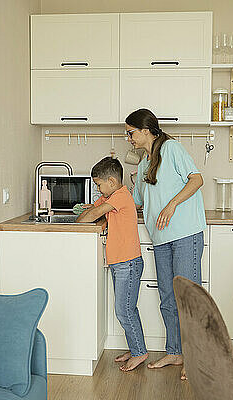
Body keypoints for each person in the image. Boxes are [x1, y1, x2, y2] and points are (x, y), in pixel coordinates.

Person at [126, 109, 206, 377]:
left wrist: (172, 204)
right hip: (160, 238)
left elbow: (196, 179)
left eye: (131, 133)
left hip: (185, 234)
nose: (129, 138)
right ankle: (175, 353)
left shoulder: (172, 149)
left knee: (188, 299)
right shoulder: (143, 164)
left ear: (146, 130)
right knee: (168, 299)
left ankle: (195, 360)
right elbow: (136, 200)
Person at [76, 157, 148, 371]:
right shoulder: (112, 195)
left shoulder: (121, 196)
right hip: (121, 263)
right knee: (126, 309)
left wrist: (83, 216)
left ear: (112, 182)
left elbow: (93, 214)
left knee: (124, 310)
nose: (98, 189)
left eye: (99, 185)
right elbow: (93, 206)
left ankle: (139, 352)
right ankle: (136, 347)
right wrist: (88, 208)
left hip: (128, 262)